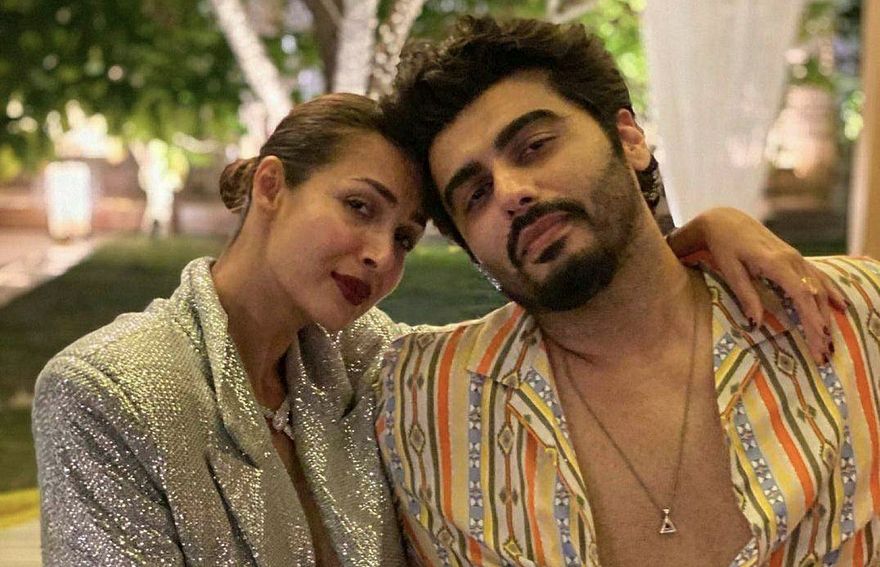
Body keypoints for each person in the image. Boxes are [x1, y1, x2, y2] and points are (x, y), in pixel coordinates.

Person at [32, 79, 843, 567]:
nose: (379, 255)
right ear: (271, 186)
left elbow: (545, 329)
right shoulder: (108, 391)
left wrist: (694, 242)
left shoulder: (369, 364)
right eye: (360, 207)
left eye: (404, 236)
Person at [376, 16, 880, 566]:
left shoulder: (855, 312)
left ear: (630, 139)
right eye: (475, 195)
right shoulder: (414, 396)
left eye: (534, 146)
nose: (512, 192)